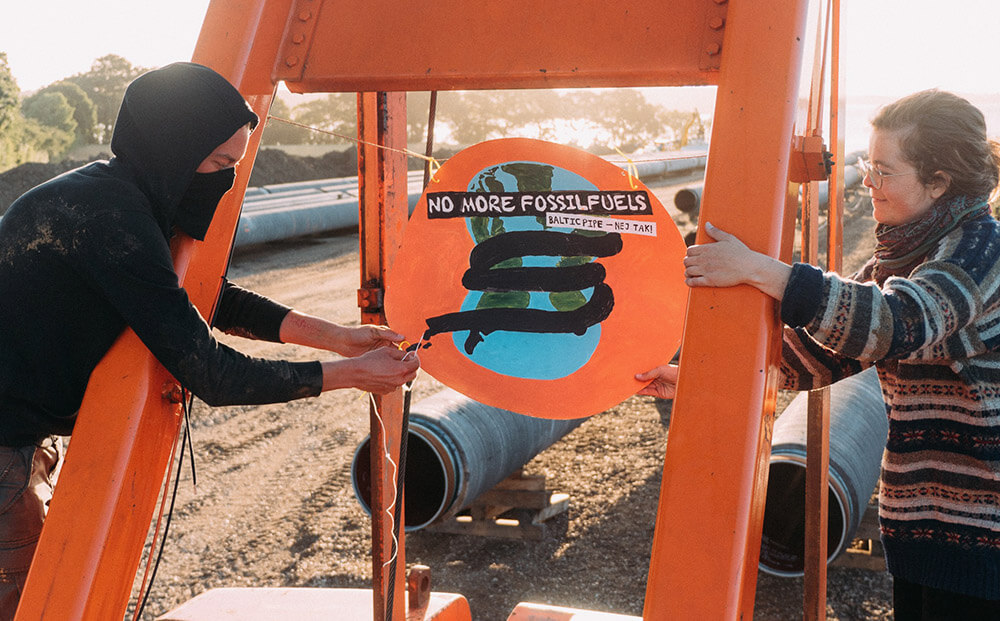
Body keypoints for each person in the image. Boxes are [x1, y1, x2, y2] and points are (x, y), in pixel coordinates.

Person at [0, 62, 418, 616]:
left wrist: (339, 339)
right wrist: (348, 377)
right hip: (4, 436)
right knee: (31, 601)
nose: (225, 181)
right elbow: (210, 372)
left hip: (21, 431)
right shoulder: (108, 217)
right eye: (221, 164)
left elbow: (211, 298)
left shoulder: (122, 196)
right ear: (175, 148)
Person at [637, 90, 1000, 619]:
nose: (867, 181)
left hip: (980, 534)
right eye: (865, 164)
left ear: (939, 181)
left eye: (883, 169)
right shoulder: (903, 251)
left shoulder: (982, 250)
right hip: (923, 527)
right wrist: (698, 378)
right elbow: (816, 358)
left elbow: (893, 323)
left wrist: (762, 270)